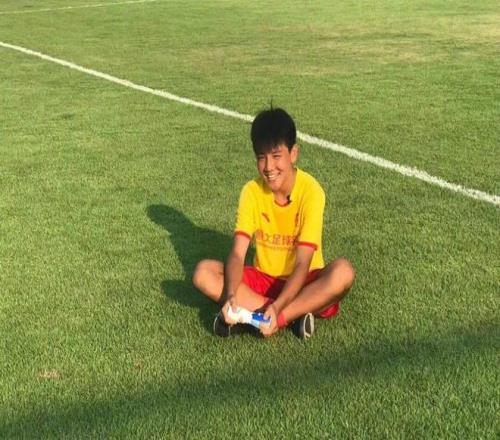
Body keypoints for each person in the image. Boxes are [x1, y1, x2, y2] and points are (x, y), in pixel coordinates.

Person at [193, 107, 355, 339]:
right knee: (204, 272)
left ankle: (267, 318)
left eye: (276, 156)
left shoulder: (311, 191)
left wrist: (278, 310)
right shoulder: (251, 191)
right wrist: (230, 295)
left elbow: (303, 264)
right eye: (262, 157)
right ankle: (294, 316)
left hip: (305, 281)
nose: (269, 167)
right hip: (265, 281)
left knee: (343, 273)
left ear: (293, 153)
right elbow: (237, 253)